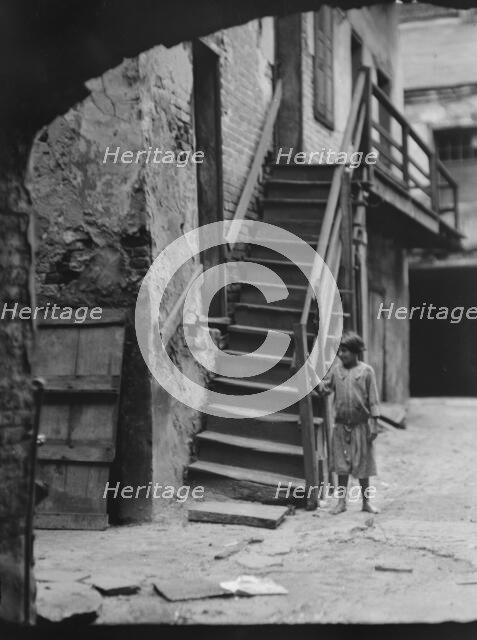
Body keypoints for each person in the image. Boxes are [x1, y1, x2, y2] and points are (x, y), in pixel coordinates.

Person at [316, 332, 380, 515]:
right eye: (339, 351)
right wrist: (316, 383)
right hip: (341, 426)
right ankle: (341, 503)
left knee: (363, 466)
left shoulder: (367, 371)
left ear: (355, 351)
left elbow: (374, 400)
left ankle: (366, 503)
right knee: (341, 466)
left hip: (361, 426)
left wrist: (374, 424)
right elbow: (325, 389)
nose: (341, 355)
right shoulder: (336, 371)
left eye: (344, 351)